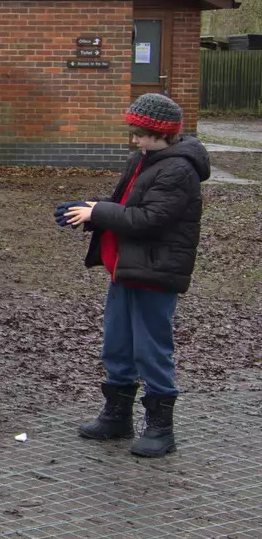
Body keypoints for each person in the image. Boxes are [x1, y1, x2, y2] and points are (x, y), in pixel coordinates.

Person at [60, 93, 210, 458]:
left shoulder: (178, 169)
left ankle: (161, 426)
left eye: (140, 133)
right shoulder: (143, 160)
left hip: (155, 271)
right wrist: (87, 210)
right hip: (125, 268)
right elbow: (127, 207)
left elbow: (148, 219)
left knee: (151, 348)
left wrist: (99, 212)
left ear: (162, 134)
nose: (134, 139)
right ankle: (117, 415)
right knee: (117, 343)